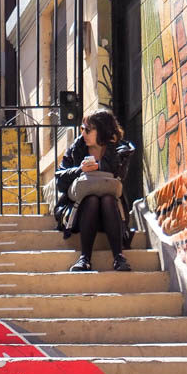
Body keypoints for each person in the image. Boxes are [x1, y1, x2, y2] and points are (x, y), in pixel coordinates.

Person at [53, 109, 135, 272]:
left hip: (111, 212)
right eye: (82, 128)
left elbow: (118, 173)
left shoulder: (121, 150)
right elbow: (59, 180)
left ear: (102, 130)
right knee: (91, 199)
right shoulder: (76, 148)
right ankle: (85, 258)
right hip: (79, 213)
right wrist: (80, 170)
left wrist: (103, 159)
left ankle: (119, 257)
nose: (83, 133)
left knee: (107, 198)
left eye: (88, 129)